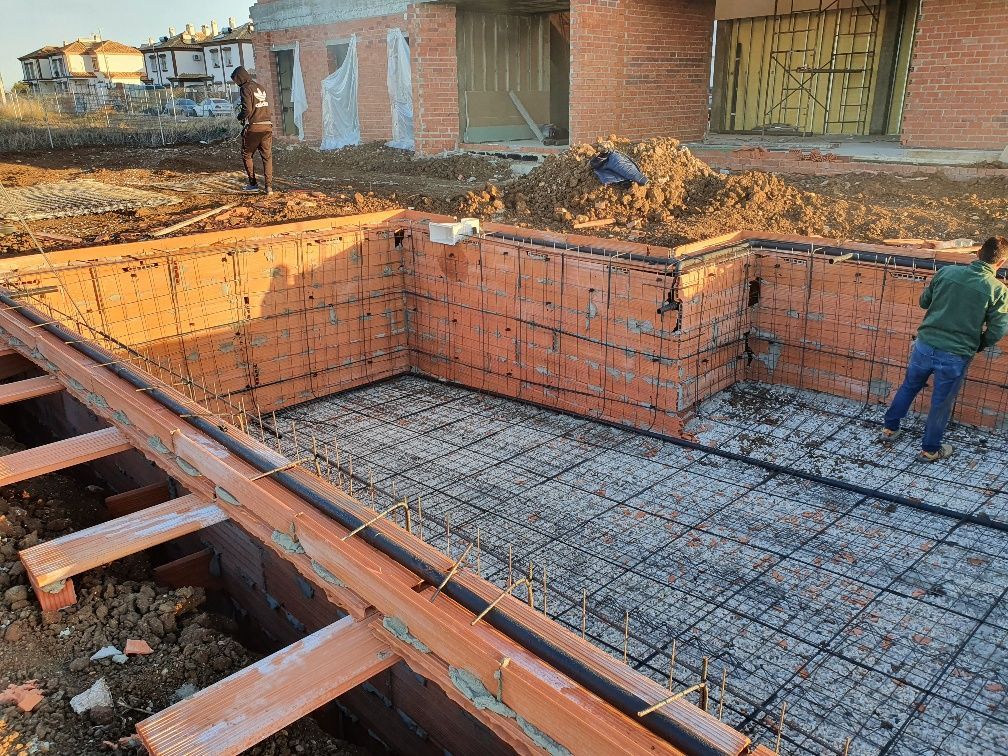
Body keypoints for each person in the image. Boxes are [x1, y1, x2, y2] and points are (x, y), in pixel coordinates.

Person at [879, 236, 1008, 462]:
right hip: (955, 355)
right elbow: (998, 328)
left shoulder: (947, 272)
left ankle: (890, 429)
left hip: (925, 345)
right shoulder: (997, 290)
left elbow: (924, 302)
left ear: (978, 254)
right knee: (941, 403)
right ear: (1001, 262)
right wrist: (979, 344)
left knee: (909, 386)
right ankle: (930, 450)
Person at [230, 65, 273, 195]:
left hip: (255, 127)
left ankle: (253, 184)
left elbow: (247, 109)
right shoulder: (260, 87)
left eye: (236, 80)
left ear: (240, 77)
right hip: (267, 126)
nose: (236, 83)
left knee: (247, 154)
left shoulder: (245, 88)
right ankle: (269, 187)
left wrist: (240, 117)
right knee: (267, 157)